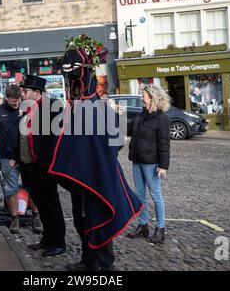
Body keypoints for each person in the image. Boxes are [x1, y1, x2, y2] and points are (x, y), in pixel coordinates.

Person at [49, 35, 143, 271]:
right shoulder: (76, 107)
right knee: (82, 220)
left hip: (97, 177)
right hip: (80, 178)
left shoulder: (99, 108)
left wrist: (99, 162)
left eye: (74, 74)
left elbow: (116, 141)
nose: (70, 81)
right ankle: (88, 261)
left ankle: (106, 265)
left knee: (99, 217)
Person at [12, 75, 66, 257]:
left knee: (51, 203)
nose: (22, 94)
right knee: (40, 203)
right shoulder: (27, 108)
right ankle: (47, 238)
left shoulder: (53, 106)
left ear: (37, 92)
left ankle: (58, 242)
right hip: (29, 165)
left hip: (45, 165)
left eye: (25, 91)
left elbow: (57, 137)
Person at [126, 84, 171, 244]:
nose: (141, 99)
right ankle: (143, 225)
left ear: (152, 98)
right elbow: (128, 129)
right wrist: (115, 113)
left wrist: (163, 166)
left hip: (151, 163)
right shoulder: (141, 115)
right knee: (139, 195)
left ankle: (160, 229)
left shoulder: (162, 118)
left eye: (143, 96)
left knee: (156, 196)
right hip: (137, 160)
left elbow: (164, 143)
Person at [0, 84, 23, 233]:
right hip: (7, 156)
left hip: (26, 156)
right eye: (13, 101)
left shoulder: (26, 108)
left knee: (31, 187)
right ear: (6, 98)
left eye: (18, 100)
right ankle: (14, 218)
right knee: (11, 189)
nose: (16, 103)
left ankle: (36, 216)